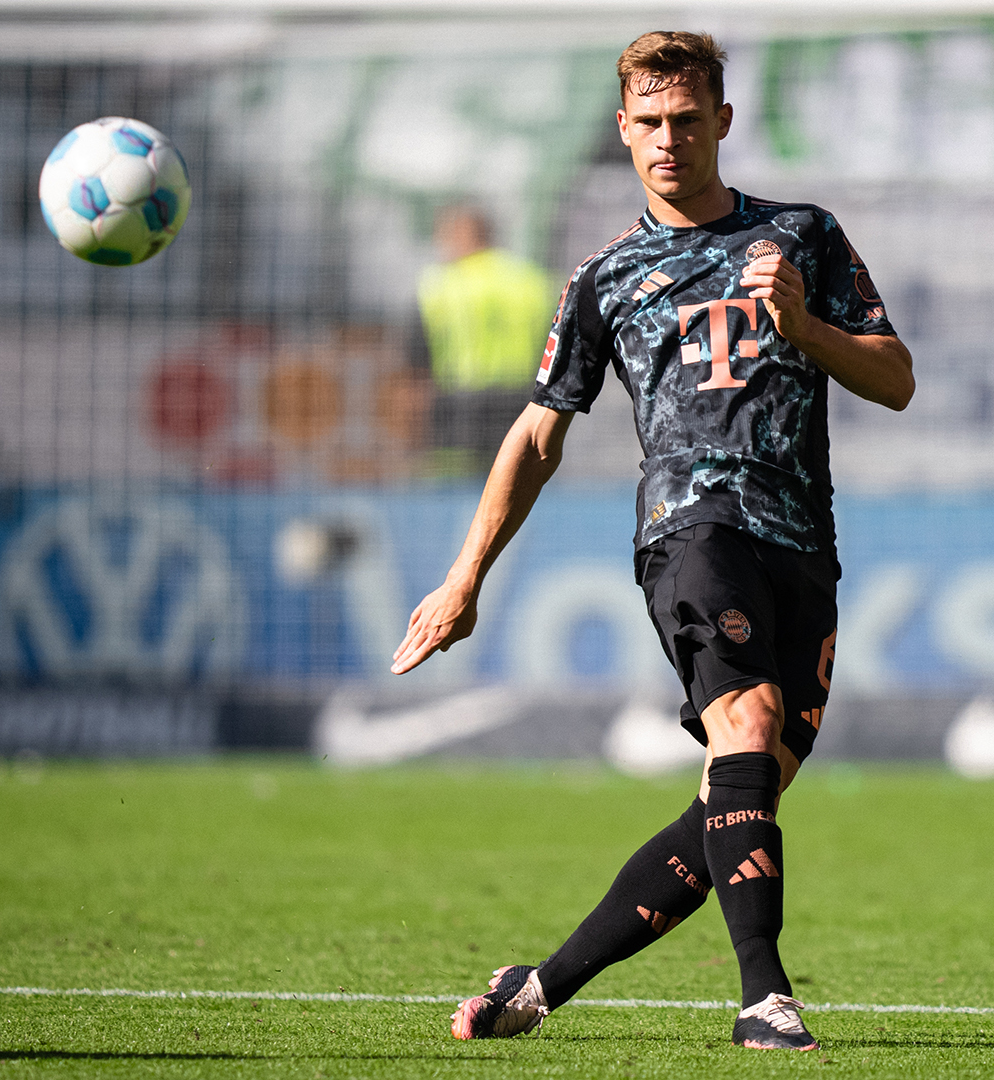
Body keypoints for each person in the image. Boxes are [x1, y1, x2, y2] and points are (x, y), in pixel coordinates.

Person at [390, 30, 912, 1052]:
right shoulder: (607, 278)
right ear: (624, 131)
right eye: (649, 124)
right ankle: (766, 999)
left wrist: (804, 329)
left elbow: (894, 379)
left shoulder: (804, 236)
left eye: (686, 120)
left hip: (802, 541)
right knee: (749, 724)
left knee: (737, 791)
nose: (668, 141)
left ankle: (537, 987)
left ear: (722, 120)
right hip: (688, 530)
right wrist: (464, 579)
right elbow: (538, 432)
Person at [414, 204, 560, 474]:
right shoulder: (530, 280)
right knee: (514, 476)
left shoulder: (442, 284)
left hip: (460, 401)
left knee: (457, 481)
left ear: (462, 235)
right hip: (522, 399)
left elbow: (418, 355)